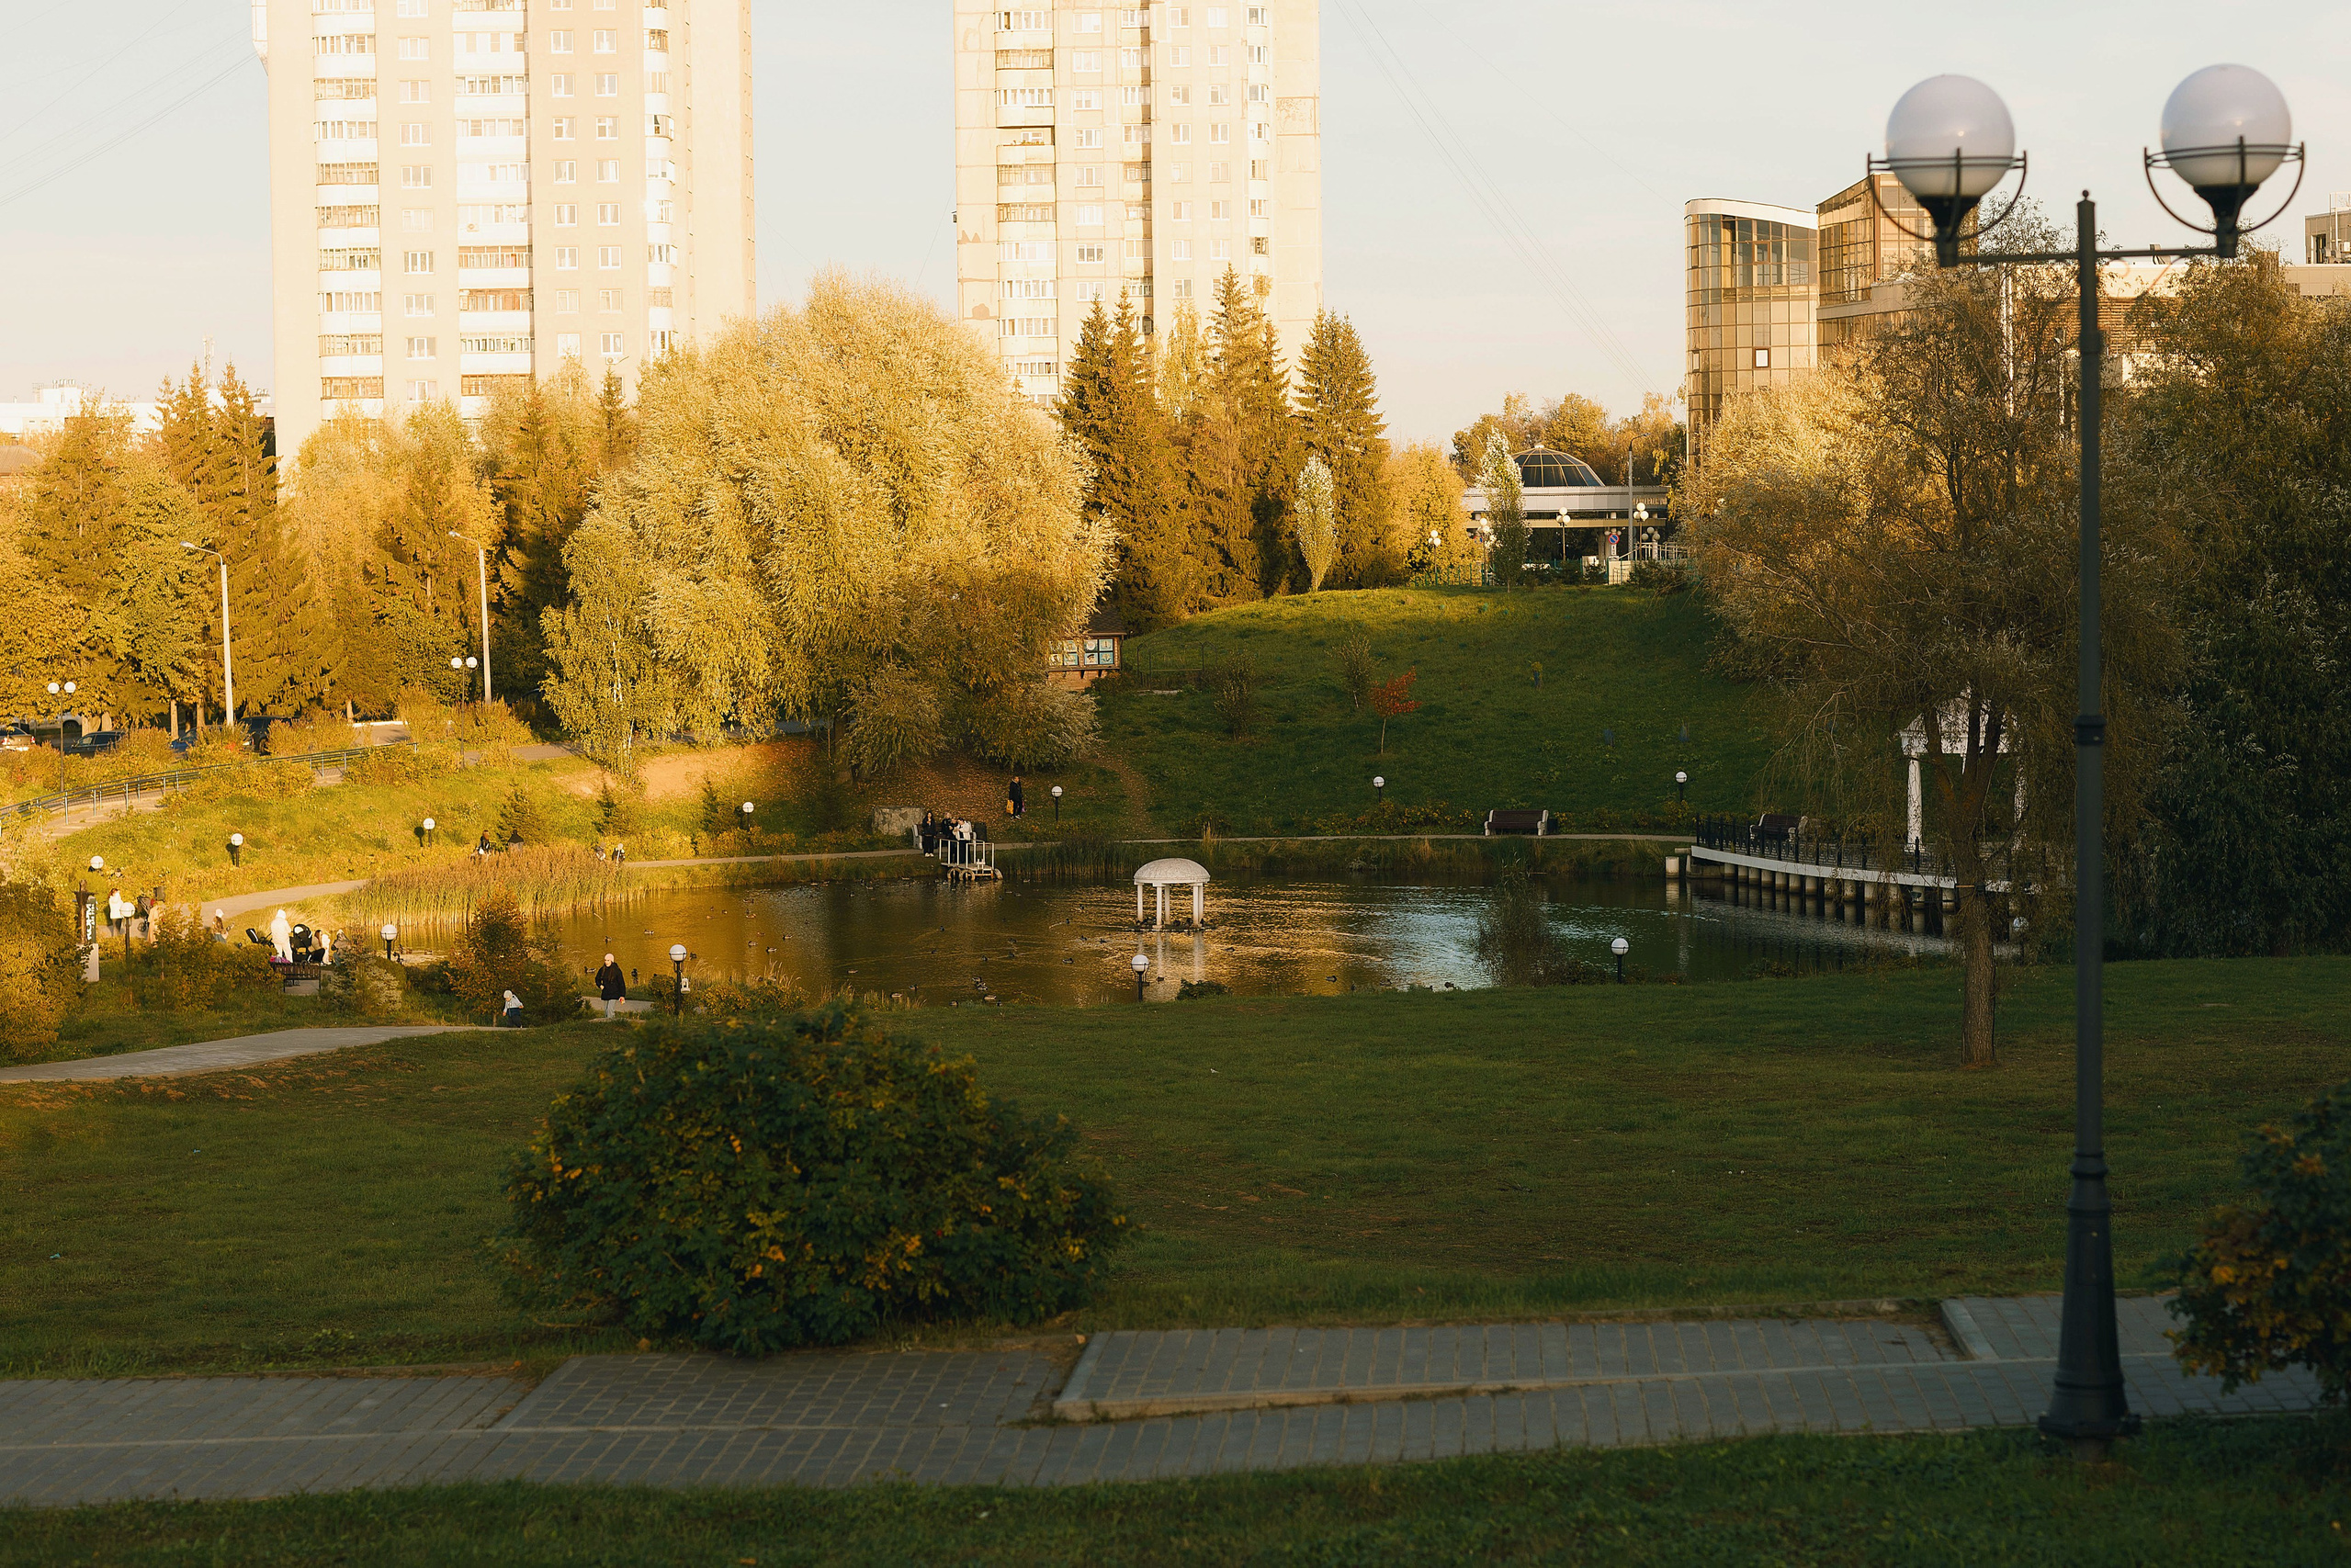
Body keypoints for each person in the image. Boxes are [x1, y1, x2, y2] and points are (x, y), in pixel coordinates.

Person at [594, 953, 627, 1021]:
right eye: (605, 960)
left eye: (608, 960)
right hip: (605, 992)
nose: (606, 962)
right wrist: (600, 985)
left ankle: (611, 1022)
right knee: (606, 1010)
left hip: (614, 993)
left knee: (610, 1009)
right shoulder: (602, 969)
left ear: (611, 961)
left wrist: (622, 995)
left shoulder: (617, 971)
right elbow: (597, 979)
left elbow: (621, 983)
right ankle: (607, 1023)